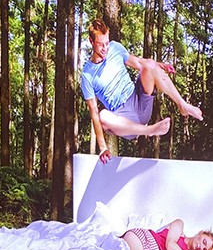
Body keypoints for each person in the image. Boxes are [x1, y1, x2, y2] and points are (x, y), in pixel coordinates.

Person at [80, 19, 203, 162]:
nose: (105, 48)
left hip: (139, 100)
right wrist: (103, 147)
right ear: (91, 41)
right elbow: (94, 113)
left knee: (149, 64)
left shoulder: (115, 48)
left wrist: (160, 66)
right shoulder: (87, 75)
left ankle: (182, 105)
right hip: (125, 119)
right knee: (103, 116)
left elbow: (139, 62)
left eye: (107, 43)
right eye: (101, 44)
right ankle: (150, 130)